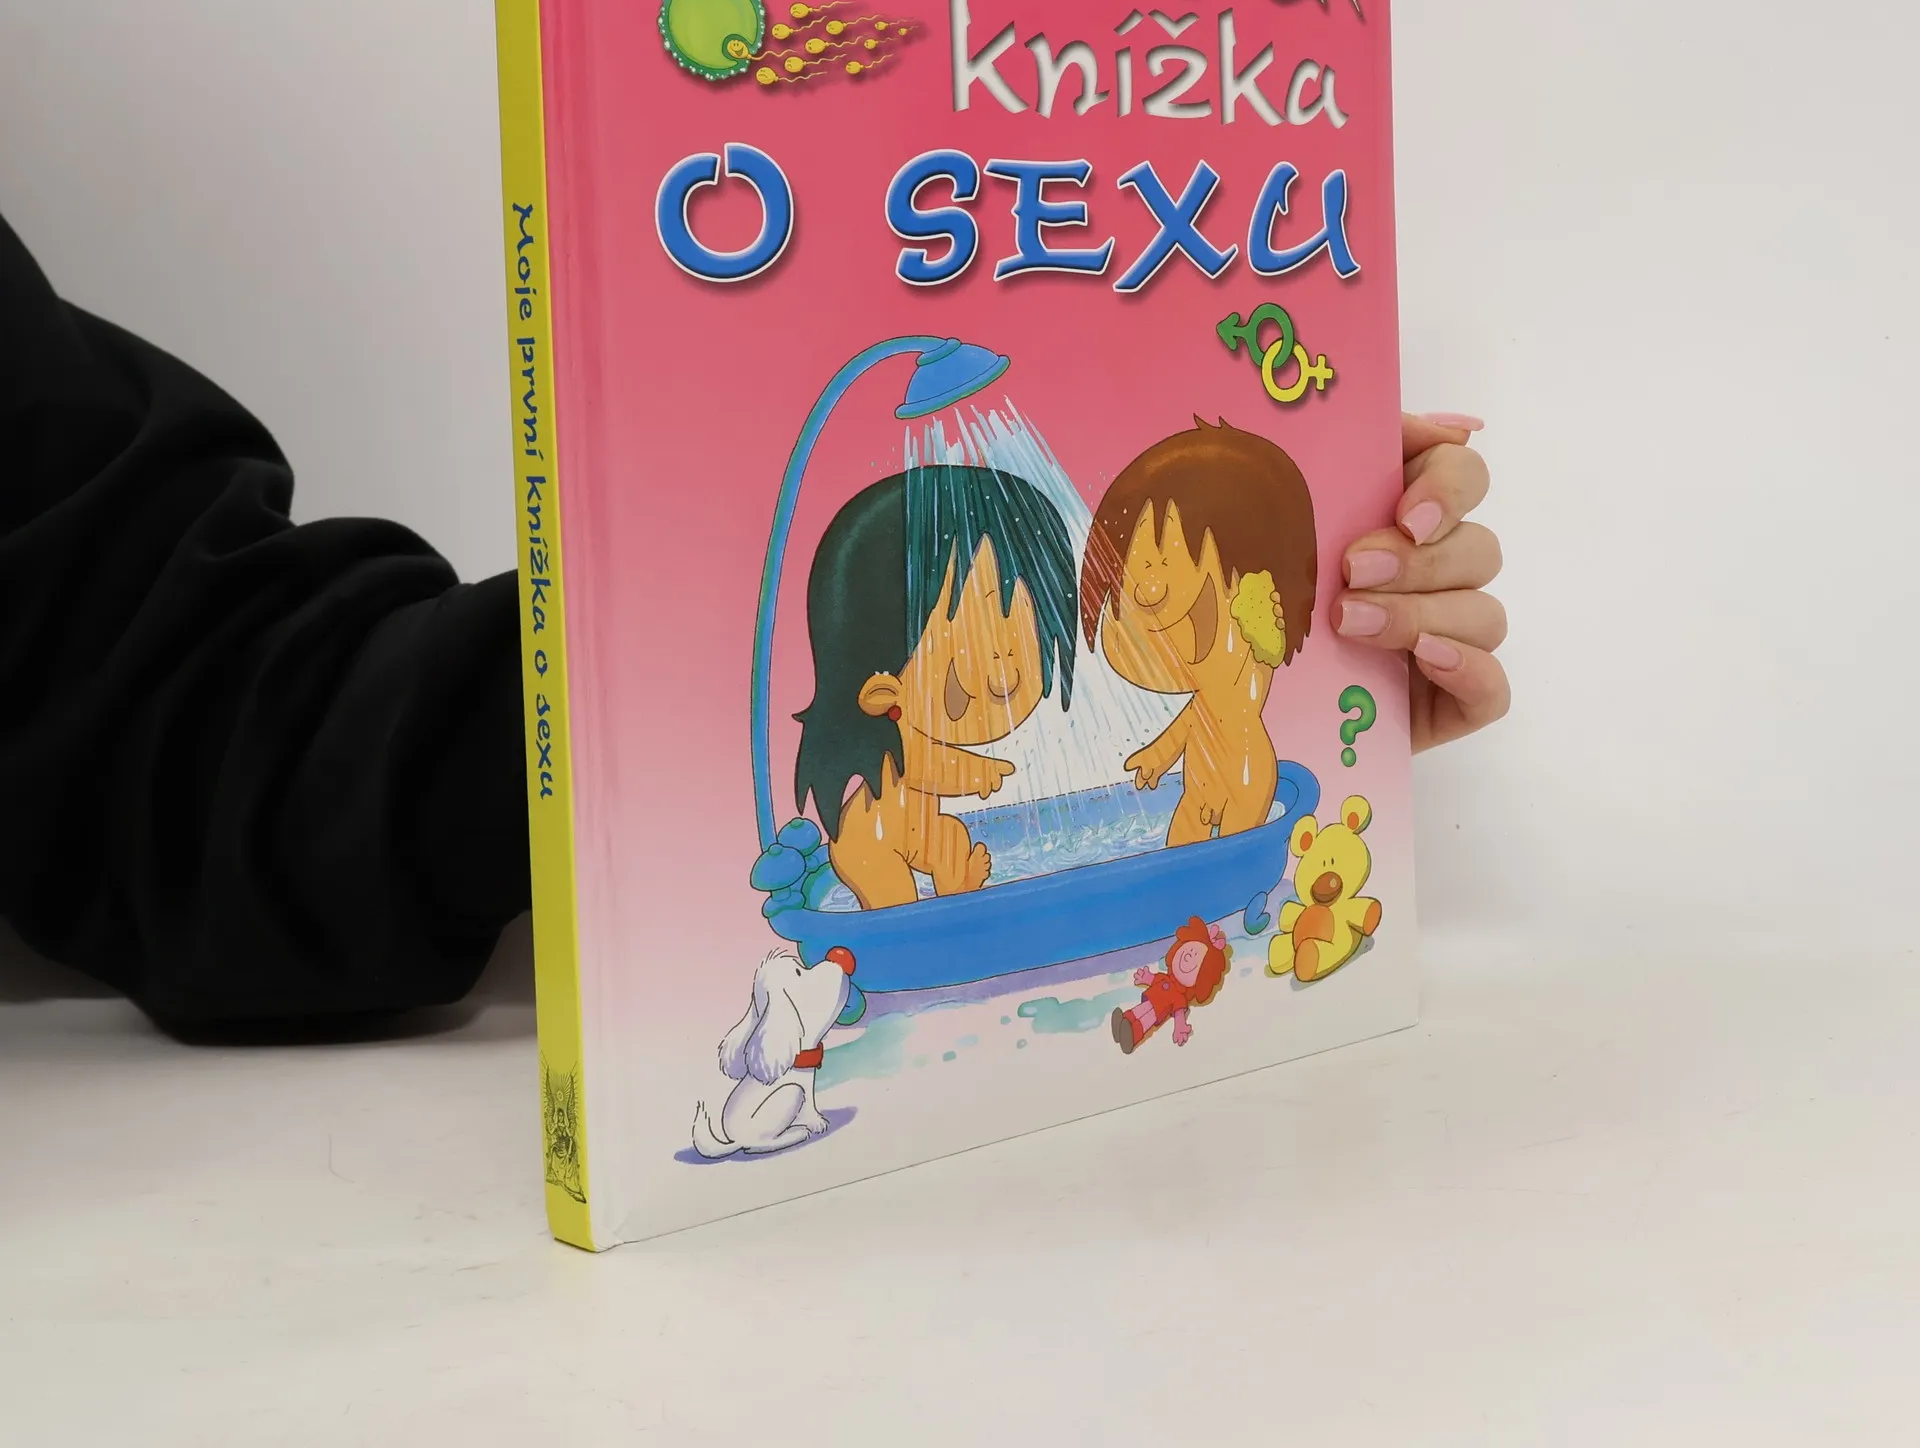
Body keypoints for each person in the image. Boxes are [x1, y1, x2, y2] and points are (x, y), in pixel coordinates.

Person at [0, 212, 1508, 1034]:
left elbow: (188, 728)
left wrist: (1339, 671)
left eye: (1157, 597)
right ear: (881, 683)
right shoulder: (889, 810)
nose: (1112, 631)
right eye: (1132, 588)